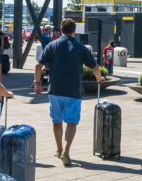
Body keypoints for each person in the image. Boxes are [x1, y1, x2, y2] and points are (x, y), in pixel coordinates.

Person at [33, 19, 103, 167]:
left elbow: (38, 65)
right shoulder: (80, 47)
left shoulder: (52, 45)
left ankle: (58, 149)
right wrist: (99, 78)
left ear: (61, 29)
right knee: (71, 122)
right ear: (74, 30)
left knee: (56, 121)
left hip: (55, 90)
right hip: (73, 91)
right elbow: (95, 66)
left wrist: (37, 83)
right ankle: (66, 151)